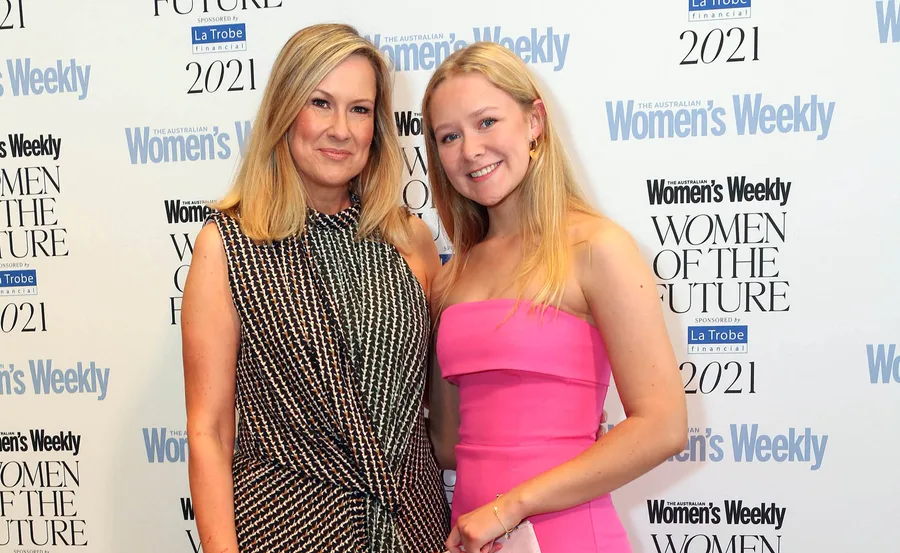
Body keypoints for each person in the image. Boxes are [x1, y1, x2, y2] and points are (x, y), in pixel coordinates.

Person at [180, 24, 449, 553]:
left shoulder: (408, 238)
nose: (341, 129)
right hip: (284, 530)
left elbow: (443, 410)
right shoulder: (227, 244)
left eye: (360, 109)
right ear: (285, 110)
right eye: (320, 103)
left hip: (413, 526)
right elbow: (208, 432)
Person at [423, 42, 689, 553]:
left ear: (534, 121)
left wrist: (510, 506)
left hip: (567, 534)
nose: (470, 150)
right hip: (471, 537)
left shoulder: (598, 248)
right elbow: (447, 442)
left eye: (486, 122)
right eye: (449, 136)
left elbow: (663, 426)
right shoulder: (452, 274)